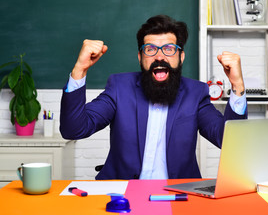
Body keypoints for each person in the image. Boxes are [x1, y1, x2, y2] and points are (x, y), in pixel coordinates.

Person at [60, 15, 247, 180]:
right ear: (140, 57)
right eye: (150, 49)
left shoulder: (195, 93)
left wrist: (237, 85)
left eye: (169, 49)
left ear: (181, 57)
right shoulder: (120, 87)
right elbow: (73, 130)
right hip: (123, 195)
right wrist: (80, 69)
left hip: (178, 194)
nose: (159, 56)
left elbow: (230, 143)